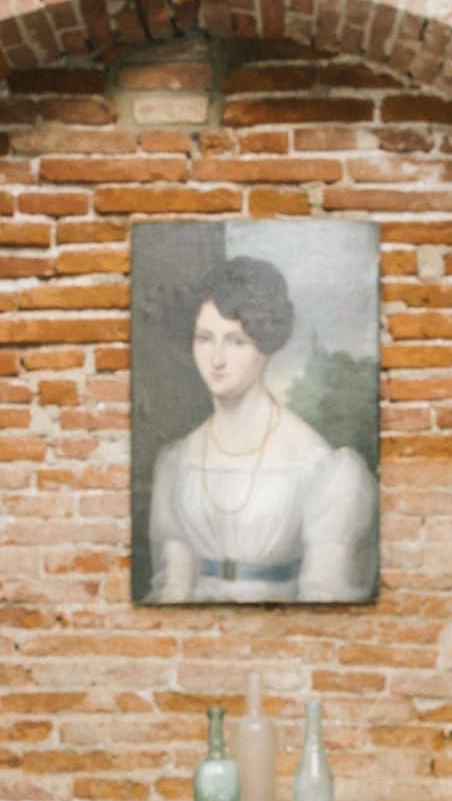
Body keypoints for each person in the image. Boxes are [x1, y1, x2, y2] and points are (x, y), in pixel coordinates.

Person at [144, 256, 375, 603]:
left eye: (236, 341)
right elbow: (173, 587)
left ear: (266, 346)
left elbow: (326, 597)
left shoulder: (321, 467)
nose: (216, 359)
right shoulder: (177, 461)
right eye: (205, 338)